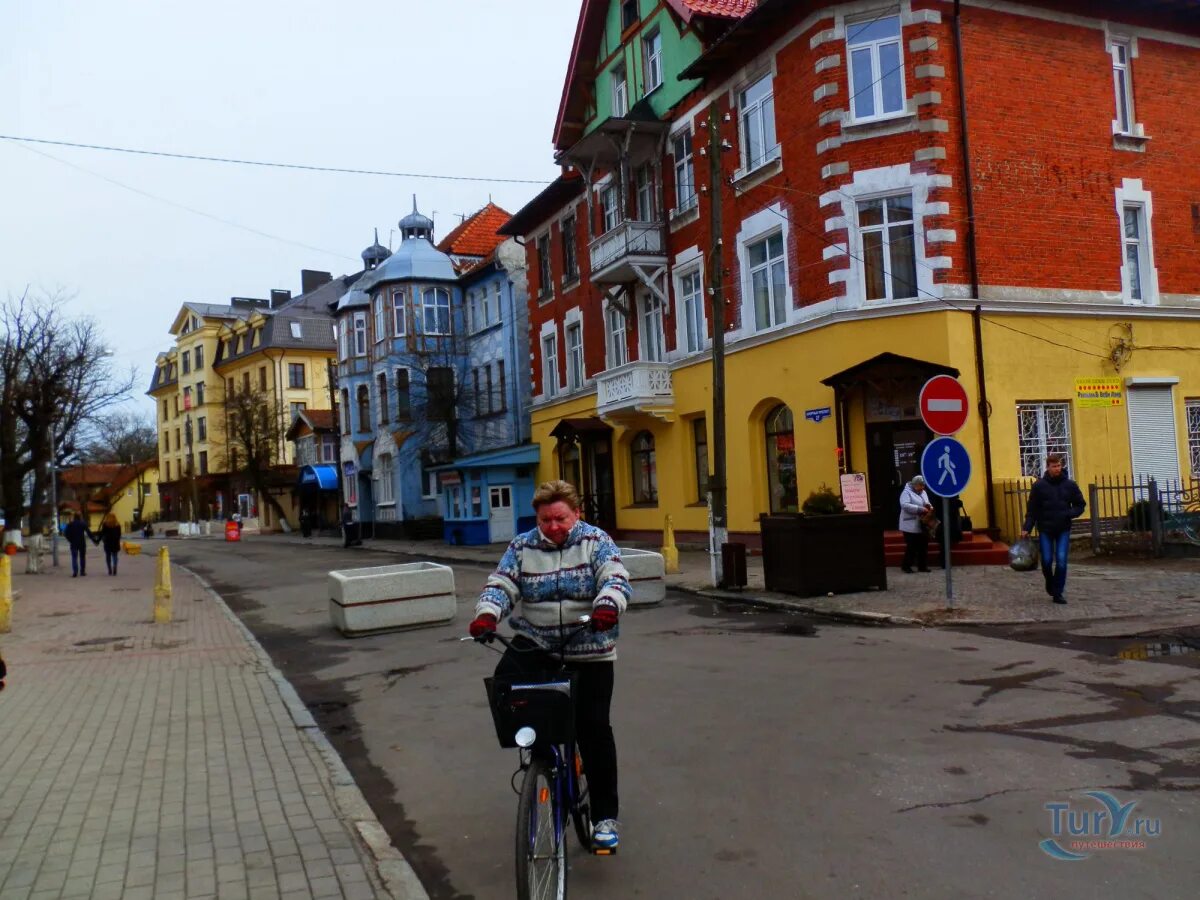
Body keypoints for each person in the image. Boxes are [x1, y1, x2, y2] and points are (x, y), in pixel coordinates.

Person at [469, 480, 631, 851]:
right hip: (537, 642)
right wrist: (487, 615)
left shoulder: (596, 542)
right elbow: (502, 584)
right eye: (545, 520)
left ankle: (605, 817)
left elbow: (616, 578)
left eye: (560, 518)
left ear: (576, 514)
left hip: (588, 645)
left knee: (594, 730)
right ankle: (540, 753)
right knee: (505, 684)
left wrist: (607, 605)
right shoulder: (522, 546)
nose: (553, 526)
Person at [1021, 452, 1086, 604]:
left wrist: (1069, 513)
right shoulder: (1039, 486)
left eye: (1058, 466)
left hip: (1063, 527)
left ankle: (1058, 592)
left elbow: (1080, 505)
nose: (1057, 469)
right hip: (1045, 528)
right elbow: (1032, 510)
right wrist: (1027, 528)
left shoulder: (1070, 485)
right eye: (1053, 466)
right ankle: (1049, 581)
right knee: (1046, 560)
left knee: (1062, 560)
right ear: (1048, 468)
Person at [898, 475, 933, 573]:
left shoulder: (923, 492)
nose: (922, 488)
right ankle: (906, 566)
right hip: (909, 523)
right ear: (915, 485)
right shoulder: (906, 492)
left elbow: (927, 502)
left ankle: (922, 566)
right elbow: (904, 505)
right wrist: (920, 509)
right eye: (920, 485)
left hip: (922, 523)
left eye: (923, 485)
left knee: (923, 545)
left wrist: (930, 507)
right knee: (911, 546)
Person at [63, 513, 94, 577]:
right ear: (80, 517)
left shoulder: (70, 524)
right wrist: (94, 540)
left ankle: (75, 572)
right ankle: (82, 571)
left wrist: (70, 540)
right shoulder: (82, 524)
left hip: (73, 543)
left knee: (74, 558)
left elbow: (65, 533)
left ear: (74, 517)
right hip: (82, 543)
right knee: (82, 557)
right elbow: (89, 532)